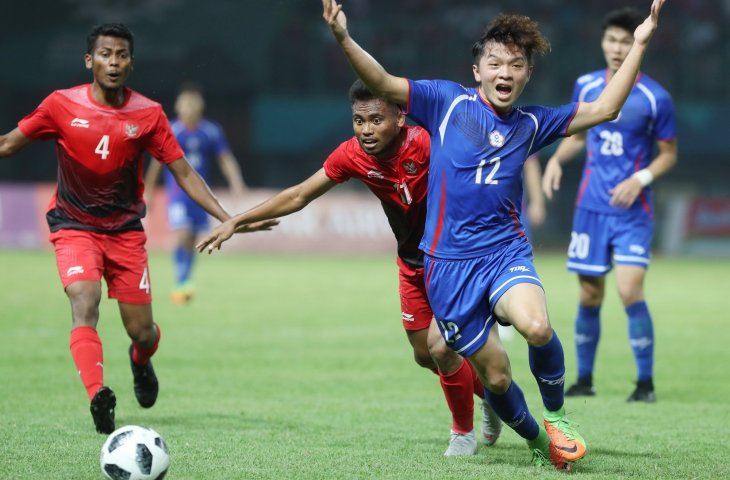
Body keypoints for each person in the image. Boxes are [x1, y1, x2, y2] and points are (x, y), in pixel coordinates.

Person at [321, 0, 665, 470]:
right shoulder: (445, 101)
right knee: (498, 378)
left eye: (517, 65)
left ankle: (558, 417)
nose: (506, 71)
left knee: (538, 326)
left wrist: (640, 43)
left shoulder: (531, 124)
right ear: (477, 70)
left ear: (526, 75)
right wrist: (343, 36)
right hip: (447, 267)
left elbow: (606, 108)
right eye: (496, 62)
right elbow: (381, 83)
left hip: (504, 253)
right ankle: (538, 441)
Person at [197, 79, 502, 456]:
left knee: (442, 349)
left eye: (376, 119)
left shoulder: (427, 142)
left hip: (454, 261)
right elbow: (299, 194)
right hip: (411, 262)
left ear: (401, 117)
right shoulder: (352, 154)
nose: (366, 130)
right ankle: (492, 395)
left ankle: (462, 433)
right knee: (424, 354)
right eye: (359, 120)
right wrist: (236, 221)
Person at [0, 23, 272, 435]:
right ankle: (98, 396)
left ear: (131, 62)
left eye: (121, 55)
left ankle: (141, 361)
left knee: (142, 332)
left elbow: (183, 171)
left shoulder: (148, 113)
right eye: (105, 54)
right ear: (89, 60)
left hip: (125, 231)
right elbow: (7, 144)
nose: (113, 62)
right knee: (84, 301)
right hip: (74, 225)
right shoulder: (60, 105)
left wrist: (227, 218)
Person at [542, 7, 677, 403]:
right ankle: (584, 379)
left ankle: (645, 384)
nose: (617, 48)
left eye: (624, 40)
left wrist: (641, 178)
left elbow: (668, 154)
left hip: (634, 211)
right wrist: (555, 159)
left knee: (630, 290)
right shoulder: (585, 87)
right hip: (591, 208)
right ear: (602, 43)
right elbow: (578, 138)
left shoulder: (656, 98)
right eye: (611, 40)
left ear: (638, 43)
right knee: (589, 295)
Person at [145, 84, 246, 305]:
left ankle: (185, 280)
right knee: (181, 233)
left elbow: (224, 158)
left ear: (201, 106)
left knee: (192, 239)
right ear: (178, 106)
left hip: (200, 194)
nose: (190, 107)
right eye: (186, 103)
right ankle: (181, 280)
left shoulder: (211, 131)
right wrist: (149, 191)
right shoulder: (172, 130)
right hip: (177, 194)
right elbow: (157, 163)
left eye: (194, 103)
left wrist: (235, 181)